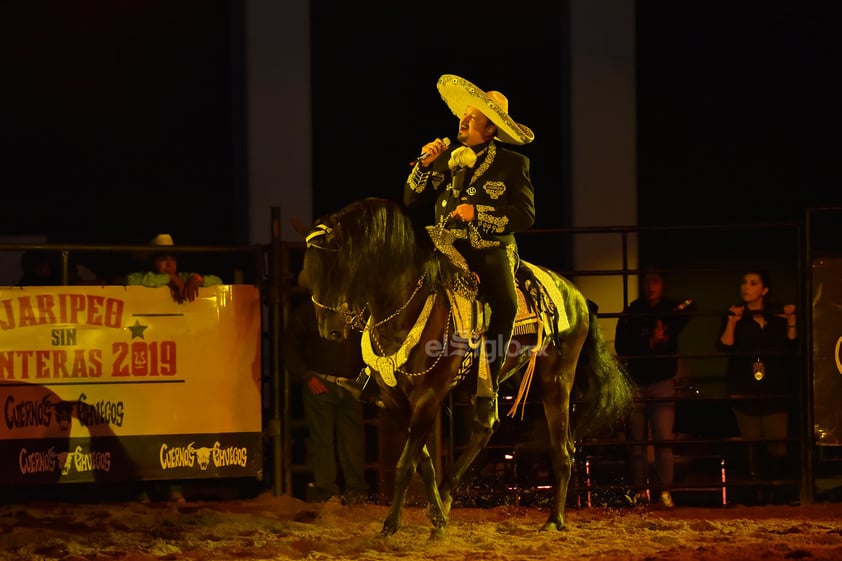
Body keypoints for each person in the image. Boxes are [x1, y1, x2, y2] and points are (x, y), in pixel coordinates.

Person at [402, 74, 535, 428]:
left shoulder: (512, 164)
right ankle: (383, 365)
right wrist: (424, 163)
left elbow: (525, 215)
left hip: (487, 247)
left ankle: (487, 383)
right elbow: (411, 199)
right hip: (444, 245)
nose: (463, 120)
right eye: (464, 114)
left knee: (505, 303)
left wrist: (480, 213)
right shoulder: (446, 159)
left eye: (472, 117)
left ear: (490, 130)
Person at [284, 271, 369, 505]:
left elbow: (290, 347)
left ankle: (349, 491)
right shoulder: (309, 313)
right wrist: (306, 376)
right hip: (324, 381)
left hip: (346, 383)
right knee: (327, 440)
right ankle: (331, 492)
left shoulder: (351, 312)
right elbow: (290, 348)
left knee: (349, 440)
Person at [614, 272, 696, 509]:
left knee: (662, 439)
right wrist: (649, 341)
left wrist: (665, 327)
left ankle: (663, 491)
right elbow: (621, 346)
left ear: (663, 284)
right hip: (639, 383)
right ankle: (643, 491)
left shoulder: (670, 310)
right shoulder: (633, 312)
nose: (650, 286)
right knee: (638, 441)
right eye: (648, 281)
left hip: (660, 382)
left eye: (655, 281)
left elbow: (690, 306)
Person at [717, 270, 798, 503]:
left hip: (775, 390)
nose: (746, 287)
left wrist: (791, 321)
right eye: (744, 282)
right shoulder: (735, 315)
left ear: (764, 290)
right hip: (745, 390)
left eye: (753, 283)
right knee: (750, 444)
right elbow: (725, 346)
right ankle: (755, 494)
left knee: (777, 445)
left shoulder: (776, 317)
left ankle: (774, 493)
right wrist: (732, 321)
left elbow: (791, 346)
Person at [126, 234, 222, 303]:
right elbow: (130, 281)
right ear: (153, 262)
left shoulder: (183, 278)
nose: (169, 264)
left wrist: (198, 279)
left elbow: (218, 281)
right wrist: (170, 278)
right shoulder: (144, 277)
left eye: (173, 259)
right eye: (163, 259)